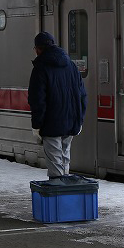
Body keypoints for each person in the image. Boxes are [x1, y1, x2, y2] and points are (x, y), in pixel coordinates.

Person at [27, 32, 87, 179]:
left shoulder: (40, 68)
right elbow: (82, 95)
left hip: (51, 124)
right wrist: (79, 120)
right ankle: (65, 194)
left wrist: (37, 126)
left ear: (38, 49)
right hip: (71, 121)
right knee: (65, 160)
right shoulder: (71, 66)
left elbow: (37, 100)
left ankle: (58, 196)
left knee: (55, 165)